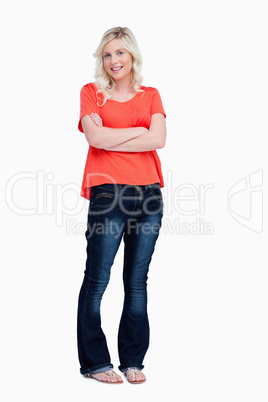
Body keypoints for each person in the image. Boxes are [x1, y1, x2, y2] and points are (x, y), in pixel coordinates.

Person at [77, 26, 167, 384]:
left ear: (132, 57)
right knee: (98, 280)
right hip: (107, 194)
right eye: (107, 54)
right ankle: (96, 363)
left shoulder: (151, 94)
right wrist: (137, 132)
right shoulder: (91, 94)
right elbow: (94, 136)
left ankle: (133, 360)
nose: (113, 60)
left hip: (149, 196)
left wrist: (115, 134)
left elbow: (158, 138)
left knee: (137, 282)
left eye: (120, 53)